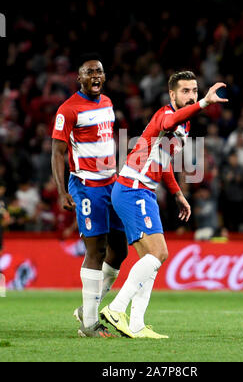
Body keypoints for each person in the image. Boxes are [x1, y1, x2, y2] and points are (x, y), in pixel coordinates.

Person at [100, 71, 227, 338]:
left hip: (141, 191)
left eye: (194, 91)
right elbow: (171, 120)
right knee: (158, 254)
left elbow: (163, 161)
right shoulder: (166, 115)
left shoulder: (185, 124)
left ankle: (135, 324)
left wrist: (178, 193)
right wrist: (203, 102)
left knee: (153, 258)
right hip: (133, 189)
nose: (191, 96)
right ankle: (116, 308)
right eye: (185, 91)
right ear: (172, 94)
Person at [51, 53, 128, 338]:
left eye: (99, 71)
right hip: (87, 187)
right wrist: (61, 191)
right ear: (79, 78)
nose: (95, 76)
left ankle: (88, 308)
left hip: (112, 185)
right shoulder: (67, 110)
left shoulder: (107, 103)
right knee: (95, 250)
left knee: (120, 249)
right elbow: (57, 153)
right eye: (89, 72)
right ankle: (90, 324)